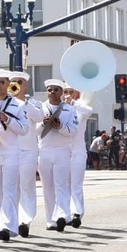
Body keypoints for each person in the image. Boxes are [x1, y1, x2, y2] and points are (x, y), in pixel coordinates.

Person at [0, 69, 28, 242]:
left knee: (9, 190)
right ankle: (1, 225)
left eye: (2, 82)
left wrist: (7, 119)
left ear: (8, 84)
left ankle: (7, 225)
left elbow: (24, 129)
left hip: (11, 152)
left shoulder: (18, 105)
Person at [39, 79, 78, 232]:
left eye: (56, 89)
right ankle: (50, 220)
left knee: (61, 186)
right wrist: (43, 123)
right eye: (50, 89)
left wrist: (60, 126)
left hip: (62, 151)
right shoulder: (40, 108)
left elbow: (73, 132)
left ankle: (62, 215)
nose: (53, 92)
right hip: (44, 151)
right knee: (47, 187)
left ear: (62, 92)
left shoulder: (69, 110)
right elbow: (33, 132)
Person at [11, 71, 43, 237]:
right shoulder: (5, 103)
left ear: (25, 85)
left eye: (19, 81)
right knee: (11, 187)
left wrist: (24, 102)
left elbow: (39, 117)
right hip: (10, 150)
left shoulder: (35, 103)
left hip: (29, 150)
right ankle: (12, 220)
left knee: (26, 185)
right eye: (13, 81)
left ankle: (25, 220)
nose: (16, 84)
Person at [64, 84, 92, 227]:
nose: (68, 94)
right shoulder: (59, 108)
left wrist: (74, 103)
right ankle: (66, 213)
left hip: (78, 151)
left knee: (76, 184)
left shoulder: (81, 107)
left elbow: (88, 111)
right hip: (63, 152)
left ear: (76, 94)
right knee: (64, 185)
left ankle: (77, 213)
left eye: (71, 92)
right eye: (65, 92)